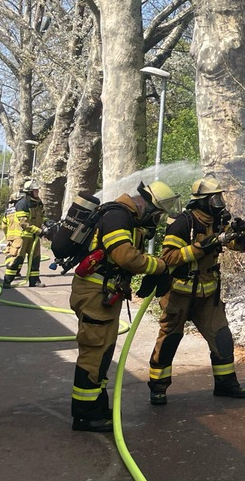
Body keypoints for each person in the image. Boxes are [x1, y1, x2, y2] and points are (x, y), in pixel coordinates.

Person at [69, 180, 177, 433]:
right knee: (94, 353)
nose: (157, 220)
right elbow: (125, 257)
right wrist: (159, 266)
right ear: (147, 206)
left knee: (103, 352)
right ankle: (85, 415)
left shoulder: (125, 217)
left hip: (103, 293)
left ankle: (96, 405)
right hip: (95, 293)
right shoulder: (118, 217)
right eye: (158, 214)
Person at [140, 177, 245, 406]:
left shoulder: (218, 220)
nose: (219, 202)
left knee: (222, 337)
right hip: (179, 293)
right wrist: (199, 248)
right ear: (202, 201)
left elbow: (233, 245)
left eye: (220, 197)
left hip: (208, 295)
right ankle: (158, 387)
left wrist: (241, 234)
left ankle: (225, 383)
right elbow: (168, 257)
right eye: (215, 198)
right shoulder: (183, 224)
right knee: (170, 340)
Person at [3, 180, 46, 288]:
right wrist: (39, 231)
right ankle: (7, 281)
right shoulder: (22, 204)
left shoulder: (38, 202)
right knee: (17, 259)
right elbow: (24, 222)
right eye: (35, 190)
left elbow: (41, 217)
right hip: (22, 237)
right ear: (30, 191)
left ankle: (34, 281)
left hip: (34, 237)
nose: (37, 192)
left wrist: (46, 224)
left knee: (35, 259)